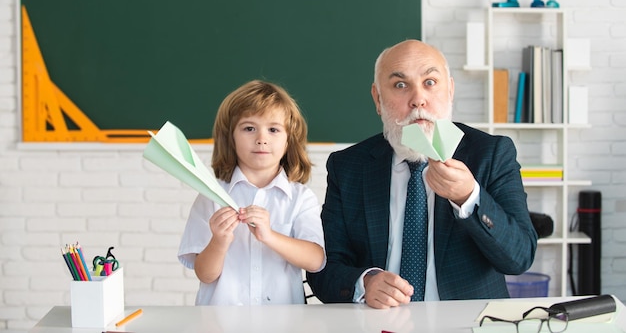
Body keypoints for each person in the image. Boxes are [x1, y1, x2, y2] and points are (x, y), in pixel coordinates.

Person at [306, 39, 537, 309]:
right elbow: (323, 267)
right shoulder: (347, 167)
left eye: (430, 82)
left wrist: (469, 197)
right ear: (378, 99)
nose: (418, 99)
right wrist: (365, 282)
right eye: (400, 85)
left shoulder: (492, 153)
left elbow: (519, 258)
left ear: (450, 90)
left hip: (467, 323)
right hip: (379, 321)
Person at [178, 80, 326, 305]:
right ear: (231, 137)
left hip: (284, 324)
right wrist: (219, 240)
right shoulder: (210, 196)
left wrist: (270, 236)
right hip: (220, 324)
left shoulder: (300, 198)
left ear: (289, 140)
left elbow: (315, 260)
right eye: (249, 128)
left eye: (274, 129)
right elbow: (205, 274)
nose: (261, 138)